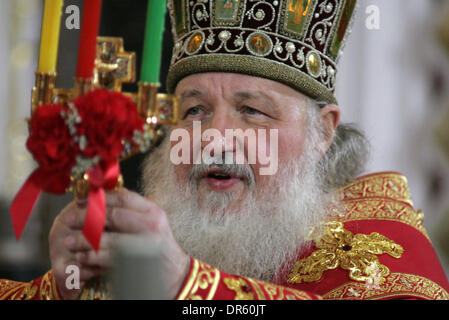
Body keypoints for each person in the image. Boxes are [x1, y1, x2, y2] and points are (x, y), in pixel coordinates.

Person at [1, 0, 448, 300]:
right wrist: (63, 288)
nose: (214, 137)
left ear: (322, 133)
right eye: (194, 110)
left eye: (252, 111)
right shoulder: (151, 232)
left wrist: (185, 283)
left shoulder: (383, 246)